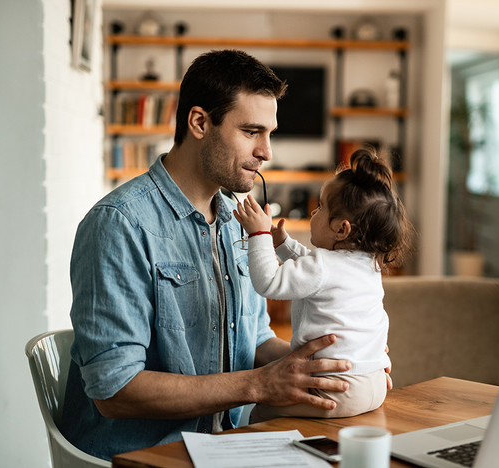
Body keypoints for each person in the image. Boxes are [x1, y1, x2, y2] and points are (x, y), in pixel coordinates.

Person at [62, 49, 354, 461]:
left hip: (226, 447)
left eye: (270, 133)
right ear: (200, 122)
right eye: (252, 131)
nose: (267, 152)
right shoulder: (118, 224)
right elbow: (115, 390)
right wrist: (259, 385)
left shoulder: (238, 223)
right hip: (142, 456)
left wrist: (331, 363)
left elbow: (255, 341)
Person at [233, 148, 414, 422]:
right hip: (375, 380)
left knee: (261, 413)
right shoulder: (367, 264)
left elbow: (269, 283)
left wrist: (258, 234)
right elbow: (317, 270)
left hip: (337, 389)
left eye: (320, 207)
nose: (313, 212)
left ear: (342, 229)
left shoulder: (323, 267)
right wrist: (284, 245)